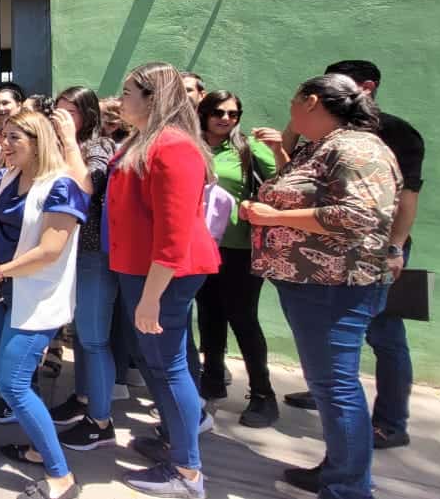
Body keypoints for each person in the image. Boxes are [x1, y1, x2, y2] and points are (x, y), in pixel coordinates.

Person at [243, 74, 401, 499]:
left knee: (336, 386)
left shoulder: (355, 148)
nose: (290, 111)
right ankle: (340, 470)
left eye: (294, 101)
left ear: (311, 101)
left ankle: (347, 487)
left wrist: (274, 217)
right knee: (329, 385)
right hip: (315, 284)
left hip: (335, 285)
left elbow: (359, 215)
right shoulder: (324, 146)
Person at [273, 60, 424, 452]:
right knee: (333, 372)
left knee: (383, 338)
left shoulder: (379, 138)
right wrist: (294, 126)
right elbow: (291, 178)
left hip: (363, 262)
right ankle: (330, 405)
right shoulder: (326, 138)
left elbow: (393, 202)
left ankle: (388, 425)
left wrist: (395, 248)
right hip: (327, 266)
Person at [106, 62, 219, 498]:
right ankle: (176, 440)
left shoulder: (173, 147)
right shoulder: (144, 140)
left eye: (127, 92)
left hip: (163, 276)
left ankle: (187, 473)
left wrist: (151, 298)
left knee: (169, 367)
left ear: (152, 98)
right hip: (141, 271)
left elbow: (173, 236)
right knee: (157, 363)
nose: (120, 100)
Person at [0, 110, 87, 499]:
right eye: (3, 136)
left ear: (39, 143)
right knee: (9, 378)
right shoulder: (8, 177)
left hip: (35, 297)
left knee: (12, 383)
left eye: (14, 138)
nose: (4, 145)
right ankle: (41, 448)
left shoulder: (62, 186)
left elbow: (50, 251)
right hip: (0, 293)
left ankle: (61, 477)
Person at [38, 87, 124, 451]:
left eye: (70, 112)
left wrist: (70, 142)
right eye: (58, 110)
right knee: (82, 337)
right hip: (67, 255)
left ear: (87, 115)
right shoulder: (59, 148)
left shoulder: (98, 146)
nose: (61, 118)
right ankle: (84, 398)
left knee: (94, 338)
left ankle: (100, 422)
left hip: (93, 255)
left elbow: (87, 186)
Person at [193, 90, 280, 427]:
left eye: (233, 113)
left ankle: (262, 394)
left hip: (239, 247)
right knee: (209, 314)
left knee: (243, 318)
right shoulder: (193, 145)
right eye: (218, 112)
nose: (225, 119)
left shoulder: (248, 148)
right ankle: (212, 378)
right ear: (204, 113)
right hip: (202, 245)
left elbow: (282, 182)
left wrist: (279, 150)